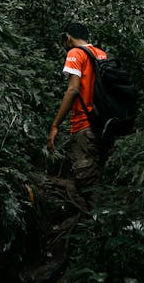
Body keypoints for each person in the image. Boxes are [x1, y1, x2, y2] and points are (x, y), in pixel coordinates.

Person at [46, 21, 107, 205]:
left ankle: (95, 223)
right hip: (103, 123)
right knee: (99, 172)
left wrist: (55, 125)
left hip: (84, 124)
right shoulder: (101, 54)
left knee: (87, 179)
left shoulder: (75, 53)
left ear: (68, 37)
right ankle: (99, 219)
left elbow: (73, 90)